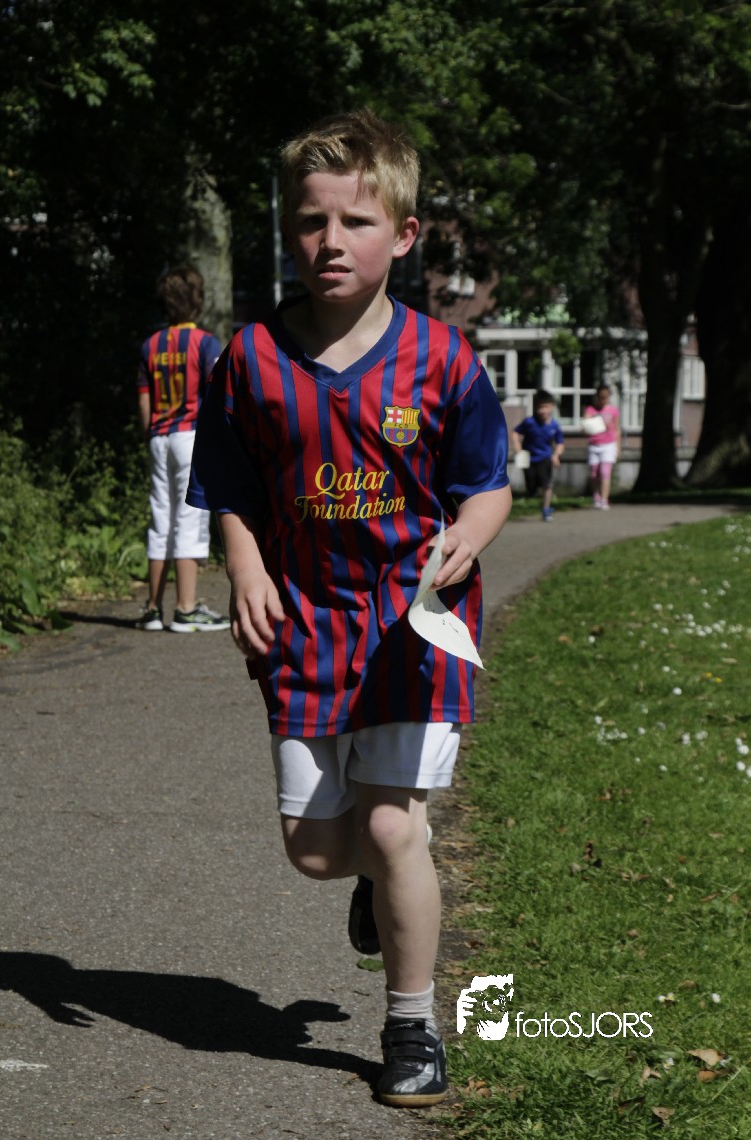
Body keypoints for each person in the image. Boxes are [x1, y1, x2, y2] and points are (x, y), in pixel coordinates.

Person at [187, 108, 511, 1107]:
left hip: (413, 628)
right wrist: (245, 566)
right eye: (310, 221)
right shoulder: (249, 360)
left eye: (356, 222)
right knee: (317, 850)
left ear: (403, 235)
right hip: (304, 628)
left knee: (395, 828)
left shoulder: (442, 359)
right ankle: (373, 885)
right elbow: (229, 488)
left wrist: (468, 537)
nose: (331, 242)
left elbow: (487, 484)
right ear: (289, 228)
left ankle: (412, 1029)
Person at [136, 265, 230, 632]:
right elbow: (215, 393)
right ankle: (187, 609)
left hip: (159, 438)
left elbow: (144, 400)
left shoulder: (150, 345)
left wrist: (151, 435)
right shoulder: (205, 343)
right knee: (190, 517)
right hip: (190, 436)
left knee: (161, 518)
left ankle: (152, 609)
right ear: (197, 301)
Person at [512, 388, 565, 521]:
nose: (543, 410)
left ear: (551, 407)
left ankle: (546, 509)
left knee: (547, 484)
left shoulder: (554, 425)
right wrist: (518, 448)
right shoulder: (529, 422)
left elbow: (560, 442)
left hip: (545, 458)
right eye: (540, 407)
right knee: (531, 488)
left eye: (545, 407)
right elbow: (515, 432)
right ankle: (533, 492)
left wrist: (556, 455)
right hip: (528, 459)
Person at [583, 383, 621, 509]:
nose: (603, 400)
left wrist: (618, 447)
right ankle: (596, 496)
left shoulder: (613, 410)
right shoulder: (590, 410)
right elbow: (585, 427)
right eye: (601, 397)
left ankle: (604, 499)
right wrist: (592, 423)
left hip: (608, 444)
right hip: (594, 444)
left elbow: (617, 429)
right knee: (594, 473)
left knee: (605, 472)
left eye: (606, 397)